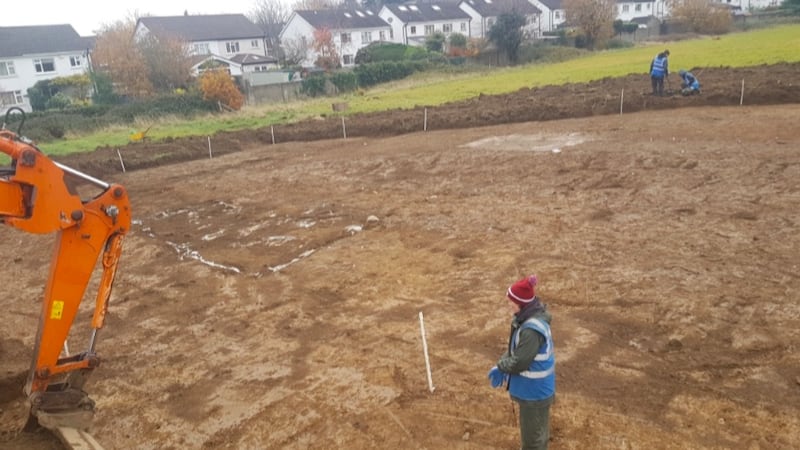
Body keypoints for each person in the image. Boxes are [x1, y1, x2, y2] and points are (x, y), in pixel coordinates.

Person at [488, 274, 555, 450]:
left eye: (510, 301)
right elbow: (517, 350)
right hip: (535, 390)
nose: (507, 304)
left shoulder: (531, 330)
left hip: (534, 392)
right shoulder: (526, 320)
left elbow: (520, 362)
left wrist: (502, 366)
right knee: (536, 433)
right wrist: (502, 361)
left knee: (533, 441)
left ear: (521, 303)